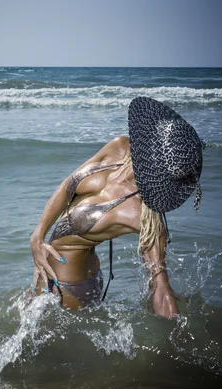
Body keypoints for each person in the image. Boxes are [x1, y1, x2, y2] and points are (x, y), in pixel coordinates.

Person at [29, 97, 203, 318]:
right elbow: (67, 185)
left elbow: (160, 286)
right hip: (57, 272)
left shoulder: (144, 216)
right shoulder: (119, 147)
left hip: (69, 284)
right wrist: (38, 235)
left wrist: (176, 334)